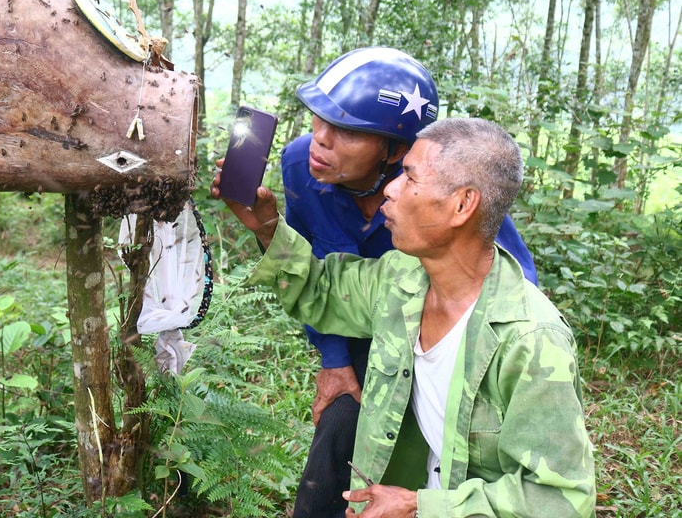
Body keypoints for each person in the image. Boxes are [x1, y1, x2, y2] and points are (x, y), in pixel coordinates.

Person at [211, 117, 596, 517]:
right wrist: (269, 226)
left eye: (409, 178)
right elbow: (321, 289)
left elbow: (559, 500)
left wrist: (422, 507)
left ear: (462, 204)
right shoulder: (403, 278)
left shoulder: (530, 341)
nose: (390, 191)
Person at [280, 47, 538, 517]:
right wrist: (334, 361)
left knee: (442, 456)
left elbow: (511, 279)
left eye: (346, 131)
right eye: (316, 119)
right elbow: (320, 281)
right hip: (364, 322)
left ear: (395, 151)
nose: (320, 139)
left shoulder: (438, 187)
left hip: (444, 332)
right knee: (339, 434)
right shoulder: (302, 165)